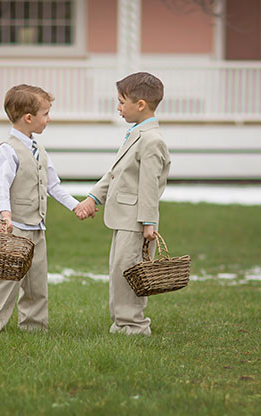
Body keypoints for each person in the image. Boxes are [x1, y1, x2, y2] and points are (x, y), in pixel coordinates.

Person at [0, 84, 90, 333]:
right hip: (16, 228)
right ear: (29, 118)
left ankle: (34, 327)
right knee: (8, 281)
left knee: (37, 282)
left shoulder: (39, 150)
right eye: (46, 114)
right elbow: (1, 187)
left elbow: (53, 185)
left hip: (37, 228)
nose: (49, 119)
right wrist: (4, 215)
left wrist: (76, 206)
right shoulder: (8, 150)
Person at [74, 72, 171, 336]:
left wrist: (148, 223)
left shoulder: (152, 140)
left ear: (140, 105)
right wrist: (94, 198)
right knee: (119, 270)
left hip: (137, 221)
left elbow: (150, 185)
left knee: (130, 271)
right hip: (123, 217)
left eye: (121, 101)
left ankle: (135, 325)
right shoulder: (135, 135)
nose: (118, 107)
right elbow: (115, 173)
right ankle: (121, 322)